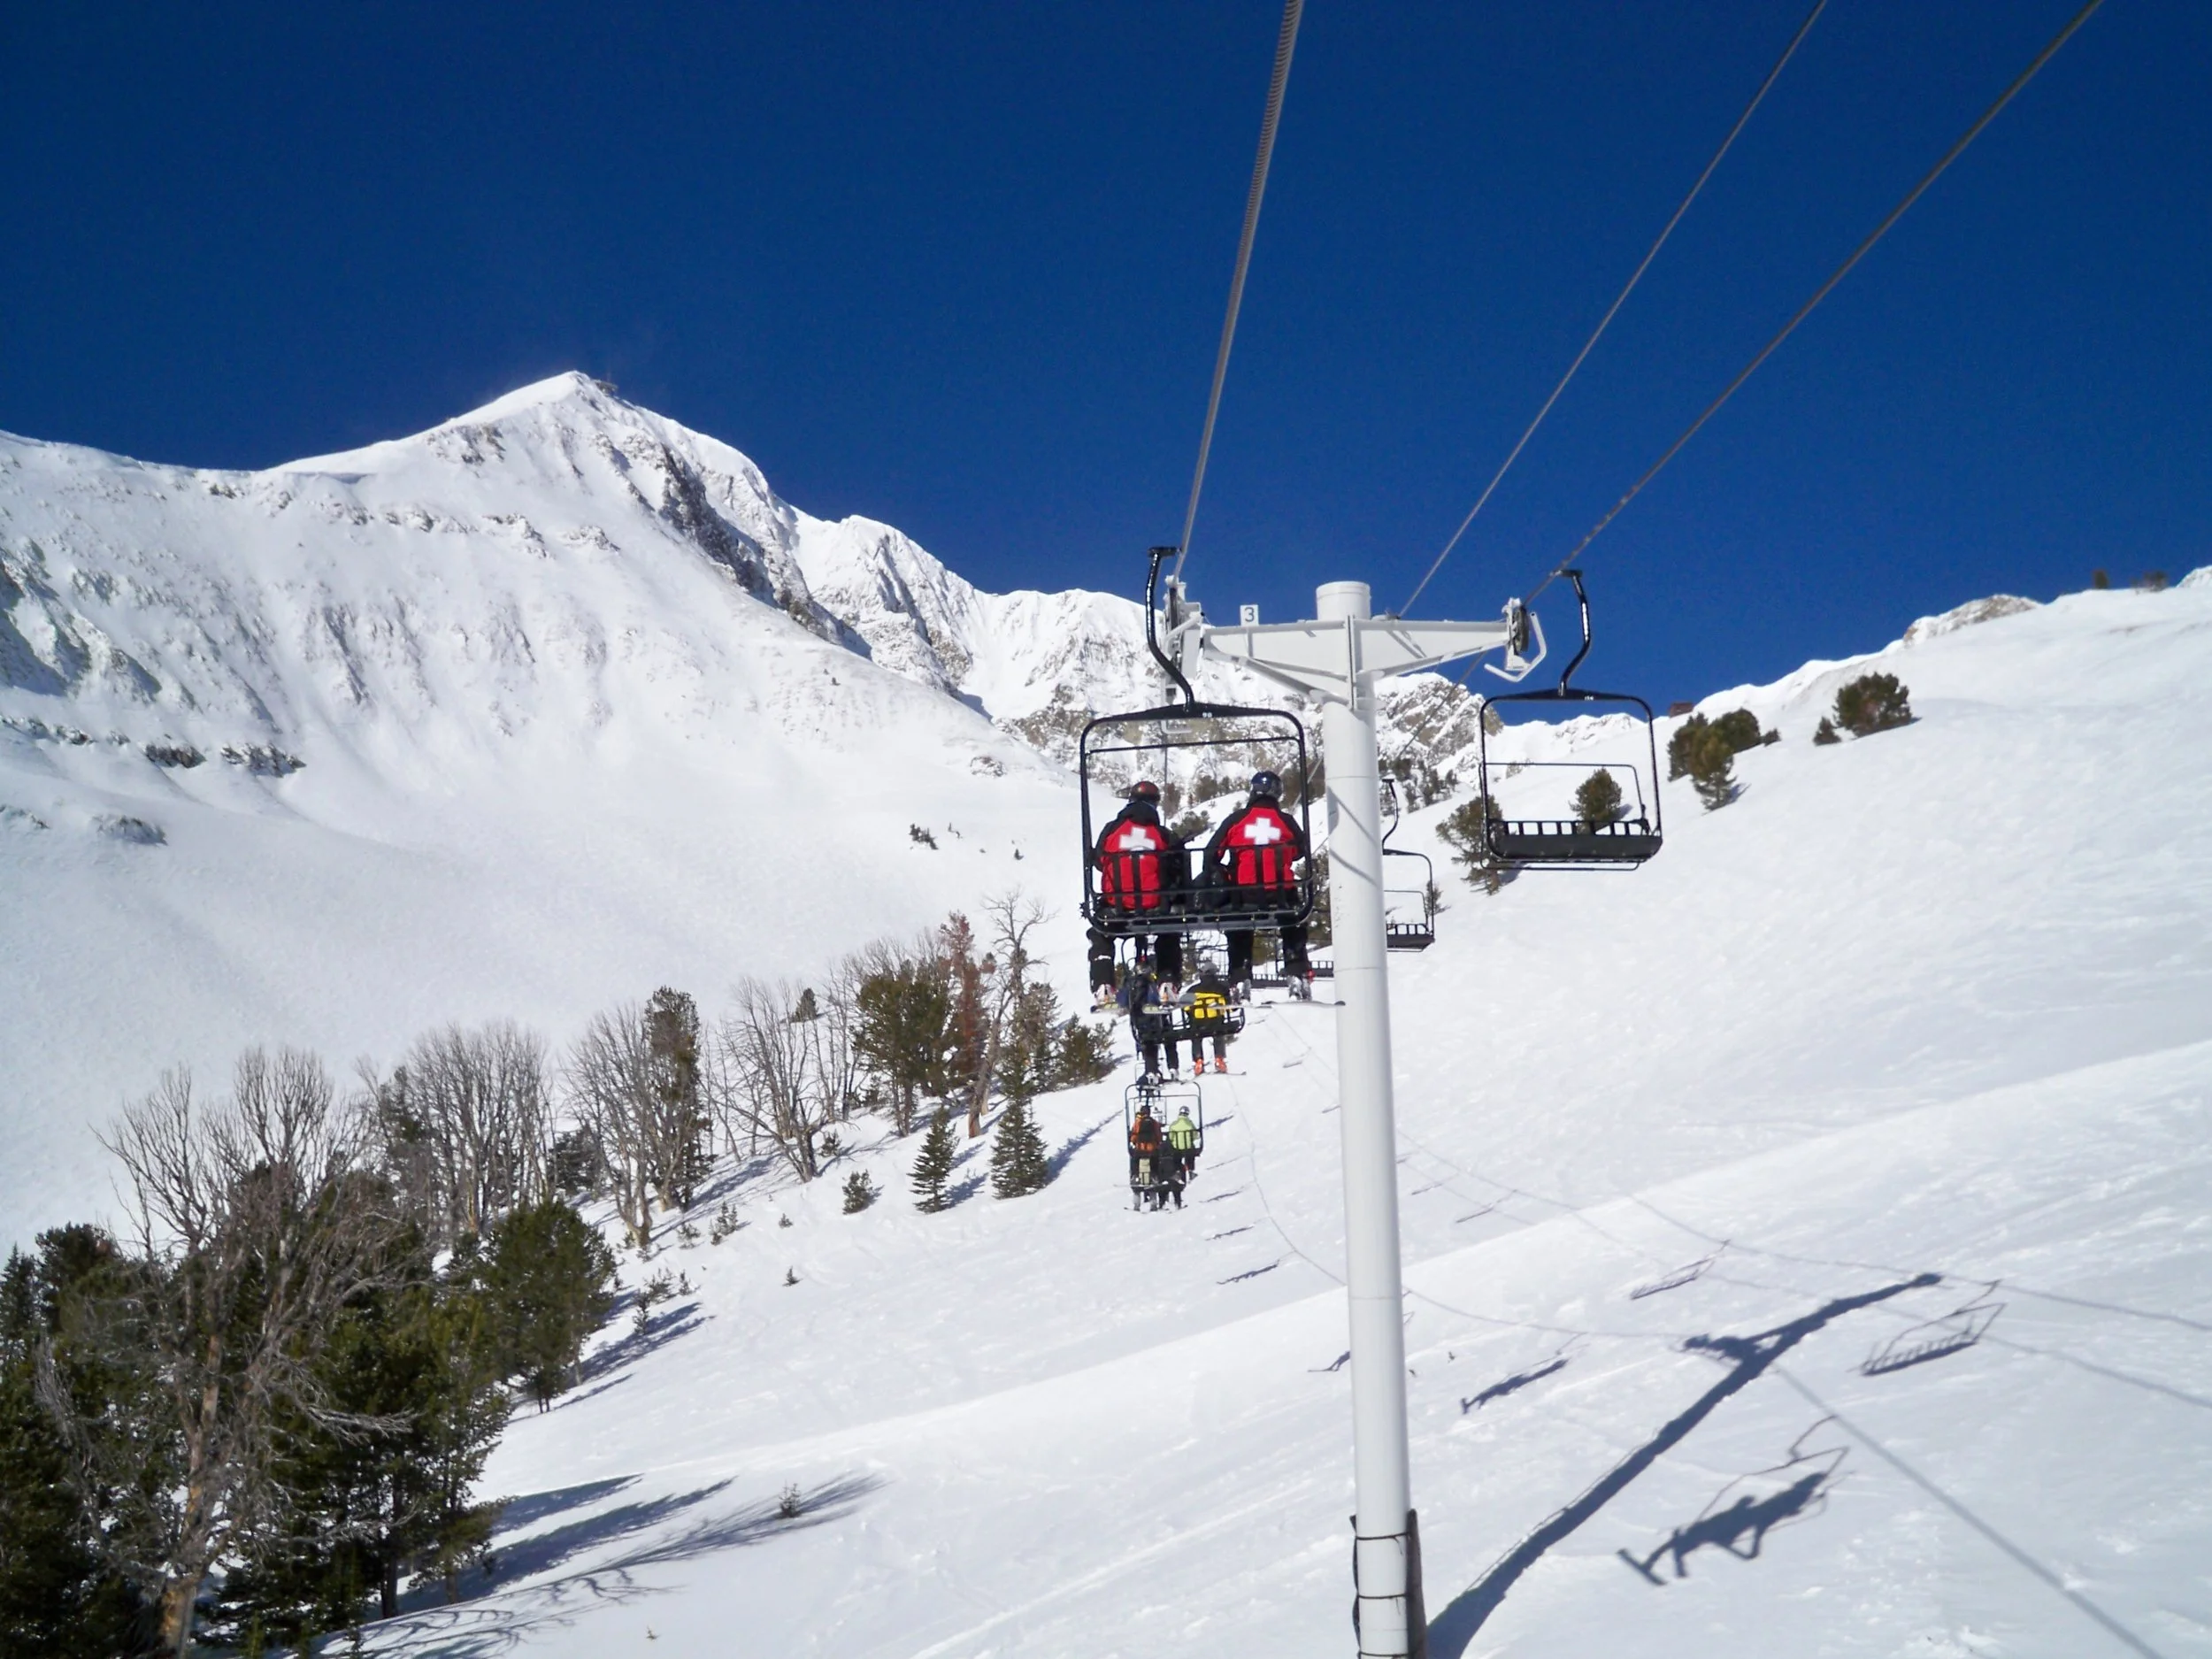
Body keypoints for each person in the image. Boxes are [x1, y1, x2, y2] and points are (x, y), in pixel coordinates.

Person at [1202, 770, 1309, 987]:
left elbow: (1211, 854)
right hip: (1281, 894)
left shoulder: (1237, 820)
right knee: (1294, 920)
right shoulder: (1285, 821)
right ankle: (1296, 969)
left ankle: (1240, 975)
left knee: (1237, 922)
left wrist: (1221, 873)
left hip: (1244, 894)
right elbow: (1300, 851)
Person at [1092, 780, 1184, 992]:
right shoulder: (1161, 833)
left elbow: (1098, 862)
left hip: (1117, 904)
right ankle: (1167, 980)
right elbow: (1177, 864)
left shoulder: (1112, 829)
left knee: (1100, 933)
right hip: (1155, 905)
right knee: (1169, 931)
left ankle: (1103, 985)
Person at [1119, 964, 1179, 1081]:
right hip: (1157, 1019)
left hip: (1140, 1021)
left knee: (1149, 1043)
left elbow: (1122, 1001)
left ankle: (1151, 1071)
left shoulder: (1130, 985)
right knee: (1169, 1040)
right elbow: (1157, 999)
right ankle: (1173, 1067)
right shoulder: (1151, 984)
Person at [1181, 970, 1235, 1075]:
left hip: (1198, 1023)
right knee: (1218, 1034)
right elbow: (1229, 1006)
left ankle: (1198, 1060)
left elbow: (1185, 1007)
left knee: (1196, 1037)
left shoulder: (1192, 989)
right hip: (1216, 1021)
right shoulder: (1222, 988)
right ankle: (1219, 1058)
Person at [1127, 1101, 1164, 1206]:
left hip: (1140, 1150)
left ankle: (1135, 1176)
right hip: (1152, 1150)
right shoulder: (1154, 1122)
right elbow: (1158, 1136)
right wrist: (1157, 1143)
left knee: (1134, 1162)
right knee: (1155, 1163)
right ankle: (1154, 1177)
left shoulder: (1138, 1123)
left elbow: (1134, 1136)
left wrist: (1135, 1142)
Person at [1164, 1102, 1201, 1187]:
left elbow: (1171, 1136)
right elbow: (1196, 1135)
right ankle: (1190, 1171)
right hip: (1188, 1147)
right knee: (1190, 1153)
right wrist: (1191, 1139)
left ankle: (1177, 1172)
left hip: (1177, 1148)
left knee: (1176, 1156)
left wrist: (1174, 1142)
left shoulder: (1174, 1124)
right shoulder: (1189, 1124)